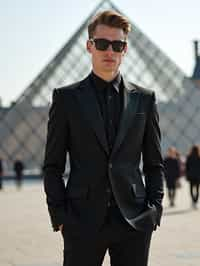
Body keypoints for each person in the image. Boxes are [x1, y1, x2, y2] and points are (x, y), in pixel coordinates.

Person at [43, 10, 164, 266]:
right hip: (81, 223)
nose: (110, 51)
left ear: (125, 49)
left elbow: (154, 163)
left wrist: (154, 211)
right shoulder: (65, 99)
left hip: (134, 222)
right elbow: (52, 165)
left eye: (117, 45)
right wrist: (61, 216)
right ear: (89, 46)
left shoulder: (146, 98)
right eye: (102, 44)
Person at [185, 145, 200, 209]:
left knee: (191, 188)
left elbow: (187, 167)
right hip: (198, 176)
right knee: (197, 189)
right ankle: (195, 201)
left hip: (191, 175)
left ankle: (193, 200)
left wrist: (187, 174)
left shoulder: (189, 157)